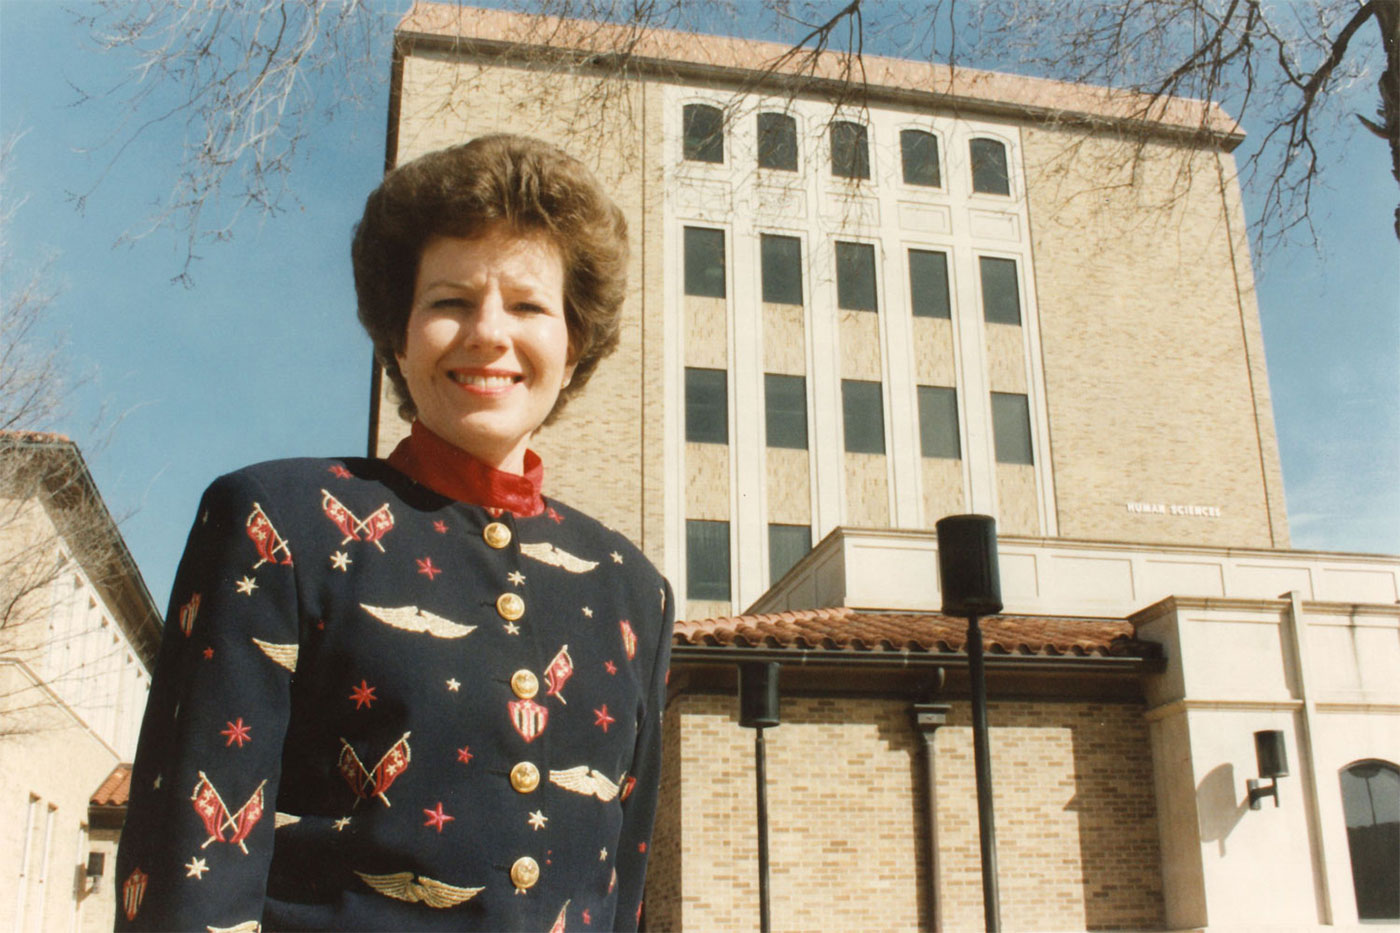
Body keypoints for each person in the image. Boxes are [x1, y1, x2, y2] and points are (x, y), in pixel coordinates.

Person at [115, 135, 673, 932]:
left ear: (573, 341)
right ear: (398, 334)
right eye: (450, 301)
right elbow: (187, 876)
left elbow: (624, 891)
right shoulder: (280, 522)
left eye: (527, 304)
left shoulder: (633, 588)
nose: (488, 331)